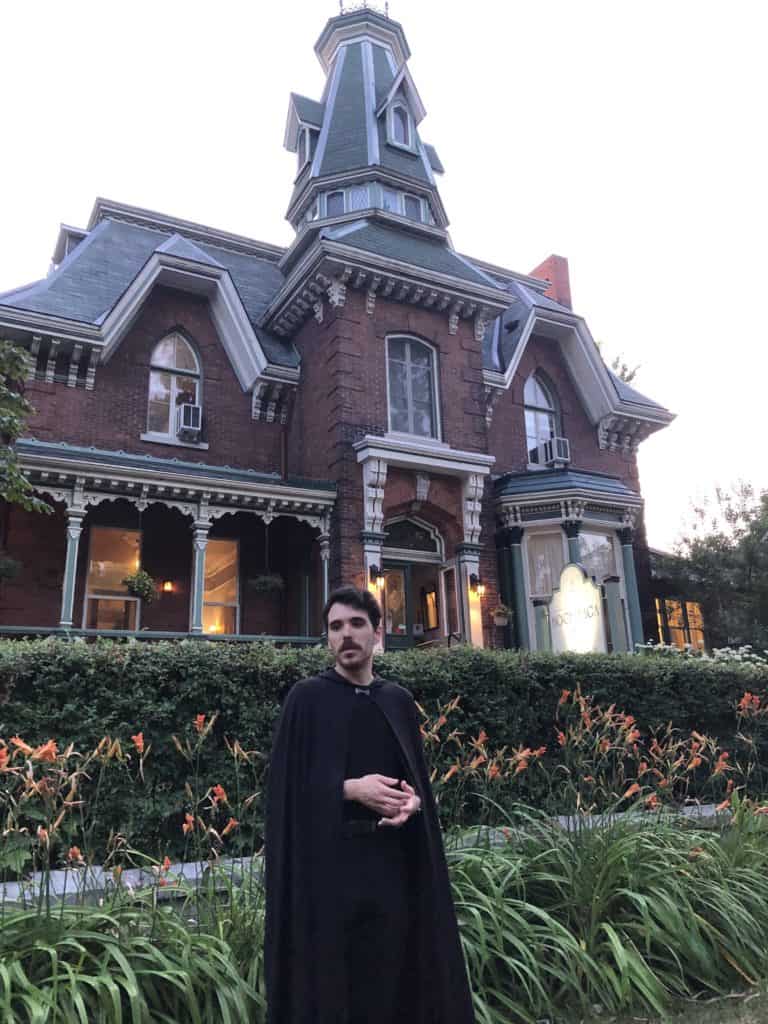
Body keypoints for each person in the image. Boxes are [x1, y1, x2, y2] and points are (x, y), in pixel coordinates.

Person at [264, 584, 475, 1024]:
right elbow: (283, 791)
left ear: (378, 633)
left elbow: (415, 783)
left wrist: (412, 802)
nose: (346, 635)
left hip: (392, 871)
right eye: (336, 627)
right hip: (329, 877)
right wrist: (348, 789)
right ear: (327, 638)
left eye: (357, 624)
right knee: (336, 988)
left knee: (394, 980)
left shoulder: (396, 700)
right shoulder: (307, 700)